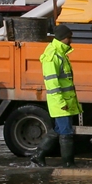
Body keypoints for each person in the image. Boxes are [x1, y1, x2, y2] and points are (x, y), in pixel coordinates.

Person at [33, 24, 80, 167]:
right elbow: (52, 84)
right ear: (62, 38)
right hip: (60, 102)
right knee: (66, 132)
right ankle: (68, 163)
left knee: (59, 130)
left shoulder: (60, 54)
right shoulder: (53, 56)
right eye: (69, 37)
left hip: (65, 101)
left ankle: (37, 156)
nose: (71, 40)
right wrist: (61, 103)